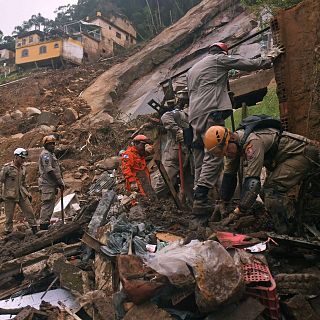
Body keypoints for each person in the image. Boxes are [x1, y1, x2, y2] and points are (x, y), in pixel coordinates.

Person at [186, 42, 284, 215]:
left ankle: (198, 196)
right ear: (223, 53)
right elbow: (246, 64)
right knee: (216, 153)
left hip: (194, 115)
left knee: (200, 155)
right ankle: (201, 198)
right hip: (211, 112)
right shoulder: (218, 59)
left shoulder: (193, 69)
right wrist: (268, 59)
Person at [203, 118, 320, 232]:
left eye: (227, 150)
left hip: (303, 153)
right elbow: (229, 176)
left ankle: (286, 231)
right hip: (286, 158)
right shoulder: (233, 146)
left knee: (271, 190)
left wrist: (236, 213)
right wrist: (222, 202)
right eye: (223, 154)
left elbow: (252, 184)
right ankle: (289, 220)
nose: (227, 154)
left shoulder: (252, 143)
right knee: (265, 192)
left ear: (232, 137)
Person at [153, 88, 193, 200]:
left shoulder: (196, 117)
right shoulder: (179, 114)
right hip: (173, 156)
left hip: (187, 156)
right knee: (166, 181)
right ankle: (152, 204)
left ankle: (193, 206)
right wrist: (177, 130)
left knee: (189, 183)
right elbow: (165, 117)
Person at [0, 148, 37, 234]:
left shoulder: (23, 168)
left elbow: (24, 182)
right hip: (9, 195)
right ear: (16, 157)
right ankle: (8, 234)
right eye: (22, 158)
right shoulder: (7, 168)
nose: (23, 160)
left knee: (30, 212)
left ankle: (35, 229)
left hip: (22, 194)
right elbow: (1, 180)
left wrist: (28, 193)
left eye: (24, 158)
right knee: (9, 217)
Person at [38, 135, 64, 230]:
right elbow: (49, 170)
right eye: (50, 144)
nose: (52, 145)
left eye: (53, 144)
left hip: (51, 184)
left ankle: (46, 223)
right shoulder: (45, 155)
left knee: (50, 204)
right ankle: (43, 225)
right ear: (45, 145)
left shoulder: (51, 154)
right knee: (47, 204)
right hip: (47, 184)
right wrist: (58, 182)